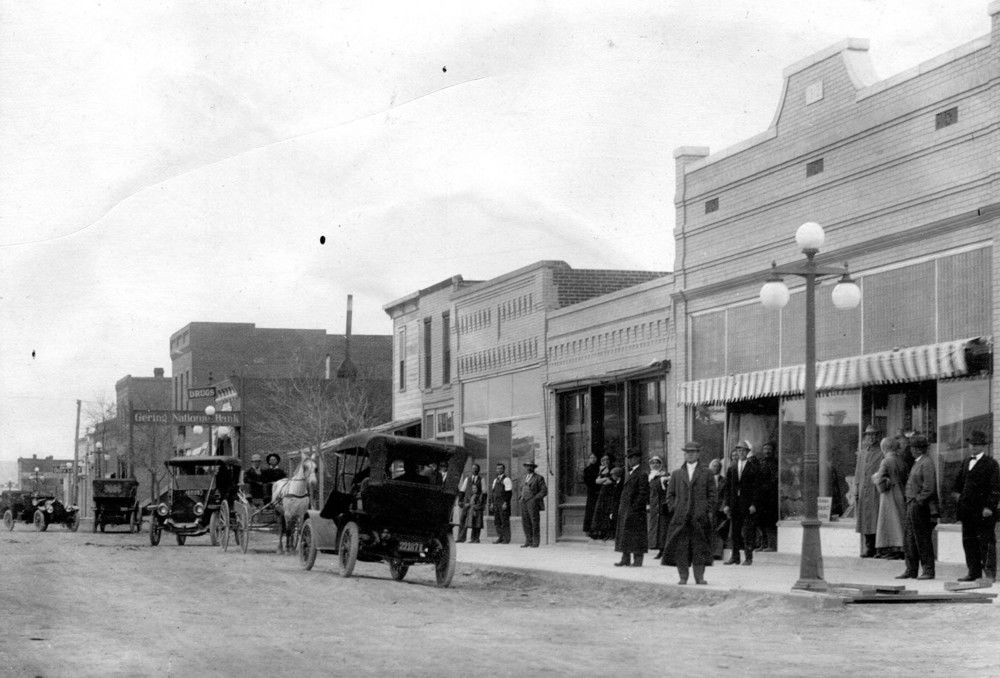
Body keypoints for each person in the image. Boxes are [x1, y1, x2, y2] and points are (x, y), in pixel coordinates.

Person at [662, 441, 717, 585]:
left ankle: (699, 577)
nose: (689, 455)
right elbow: (670, 495)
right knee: (681, 548)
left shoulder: (707, 473)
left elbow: (712, 494)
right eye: (687, 452)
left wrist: (705, 509)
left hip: (699, 518)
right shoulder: (676, 474)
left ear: (698, 454)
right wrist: (675, 508)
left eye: (693, 452)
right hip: (681, 518)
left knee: (699, 547)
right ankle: (683, 577)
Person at [953, 431, 1000, 582]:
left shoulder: (991, 464)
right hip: (967, 510)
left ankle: (990, 573)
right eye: (972, 444)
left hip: (983, 511)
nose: (973, 447)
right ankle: (973, 572)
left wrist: (989, 507)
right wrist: (958, 497)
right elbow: (957, 484)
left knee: (986, 542)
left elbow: (995, 488)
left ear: (983, 447)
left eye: (977, 444)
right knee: (969, 541)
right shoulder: (966, 462)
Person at [897, 434, 938, 580]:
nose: (911, 451)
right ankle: (911, 569)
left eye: (913, 448)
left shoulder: (926, 463)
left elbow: (929, 487)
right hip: (912, 504)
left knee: (922, 538)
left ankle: (928, 570)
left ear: (919, 449)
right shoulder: (918, 462)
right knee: (909, 539)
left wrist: (918, 501)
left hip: (919, 506)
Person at [723, 440, 762, 566]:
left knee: (748, 531)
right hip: (735, 503)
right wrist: (727, 504)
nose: (741, 453)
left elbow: (757, 487)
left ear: (747, 452)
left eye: (743, 450)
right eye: (739, 450)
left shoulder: (753, 467)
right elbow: (728, 487)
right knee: (734, 531)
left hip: (747, 504)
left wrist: (754, 504)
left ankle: (748, 558)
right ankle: (735, 557)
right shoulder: (732, 467)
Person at [872, 437, 906, 559]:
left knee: (889, 522)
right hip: (900, 492)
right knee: (899, 521)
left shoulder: (886, 461)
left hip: (889, 494)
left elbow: (880, 478)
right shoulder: (900, 459)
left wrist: (876, 478)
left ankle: (893, 548)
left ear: (884, 448)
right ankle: (900, 548)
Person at [614, 450, 650, 567]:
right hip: (626, 509)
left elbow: (643, 493)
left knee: (636, 535)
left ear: (637, 459)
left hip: (635, 511)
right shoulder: (630, 472)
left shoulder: (642, 473)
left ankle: (638, 560)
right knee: (626, 534)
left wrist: (635, 507)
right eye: (629, 458)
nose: (629, 461)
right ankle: (625, 558)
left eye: (632, 458)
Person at [854, 424, 883, 557]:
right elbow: (858, 471)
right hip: (863, 489)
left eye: (874, 435)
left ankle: (878, 547)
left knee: (876, 518)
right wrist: (856, 488)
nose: (871, 437)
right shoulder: (862, 452)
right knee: (865, 519)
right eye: (869, 435)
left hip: (875, 490)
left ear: (878, 436)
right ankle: (868, 546)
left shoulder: (881, 452)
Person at [519, 461, 547, 548]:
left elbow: (544, 491)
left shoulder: (539, 478)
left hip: (533, 502)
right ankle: (528, 541)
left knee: (534, 522)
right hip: (524, 502)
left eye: (530, 466)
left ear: (533, 467)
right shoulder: (523, 477)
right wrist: (521, 497)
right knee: (525, 522)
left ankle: (535, 542)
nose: (528, 468)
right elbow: (521, 488)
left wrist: (535, 498)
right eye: (527, 466)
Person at [588, 455, 618, 540]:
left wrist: (603, 480)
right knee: (600, 512)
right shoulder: (602, 469)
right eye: (603, 460)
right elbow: (597, 481)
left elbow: (611, 481)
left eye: (607, 460)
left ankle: (609, 533)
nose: (605, 462)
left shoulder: (613, 468)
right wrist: (604, 479)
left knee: (608, 511)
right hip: (603, 493)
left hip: (610, 492)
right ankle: (600, 533)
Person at [757, 442, 779, 551]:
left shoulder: (776, 463)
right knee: (761, 521)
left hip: (771, 496)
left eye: (769, 449)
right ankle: (763, 544)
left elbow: (776, 478)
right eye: (765, 449)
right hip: (761, 496)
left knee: (770, 521)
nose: (767, 451)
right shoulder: (760, 462)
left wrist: (768, 486)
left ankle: (772, 545)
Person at [456, 464, 486, 543]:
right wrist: (460, 501)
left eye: (476, 469)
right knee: (463, 519)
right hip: (467, 502)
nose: (474, 470)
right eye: (473, 468)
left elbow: (484, 492)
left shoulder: (481, 479)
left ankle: (475, 539)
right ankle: (461, 538)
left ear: (478, 470)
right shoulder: (467, 479)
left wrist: (482, 504)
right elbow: (462, 491)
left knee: (476, 520)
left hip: (476, 503)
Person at [647, 456, 669, 559]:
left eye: (657, 463)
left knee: (663, 528)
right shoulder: (650, 476)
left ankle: (664, 549)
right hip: (653, 505)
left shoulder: (664, 476)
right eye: (653, 463)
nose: (655, 465)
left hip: (662, 505)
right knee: (655, 527)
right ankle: (658, 548)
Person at [708, 458, 727, 560]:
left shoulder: (724, 480)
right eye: (714, 466)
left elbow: (726, 495)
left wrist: (723, 507)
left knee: (719, 530)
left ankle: (717, 553)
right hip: (710, 508)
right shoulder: (706, 480)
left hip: (720, 508)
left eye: (718, 466)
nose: (716, 468)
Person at [490, 462, 513, 544]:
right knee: (497, 521)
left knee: (504, 521)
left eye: (500, 468)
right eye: (497, 468)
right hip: (496, 503)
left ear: (503, 469)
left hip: (503, 504)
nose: (499, 470)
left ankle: (506, 539)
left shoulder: (507, 479)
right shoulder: (495, 480)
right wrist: (492, 503)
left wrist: (505, 503)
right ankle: (500, 537)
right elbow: (493, 493)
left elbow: (509, 493)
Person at [582, 453, 601, 536]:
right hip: (591, 492)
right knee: (590, 510)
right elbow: (587, 481)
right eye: (591, 458)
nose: (593, 459)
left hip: (599, 492)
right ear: (589, 459)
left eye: (594, 457)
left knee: (598, 510)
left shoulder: (600, 468)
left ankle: (597, 530)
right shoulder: (586, 470)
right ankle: (588, 529)